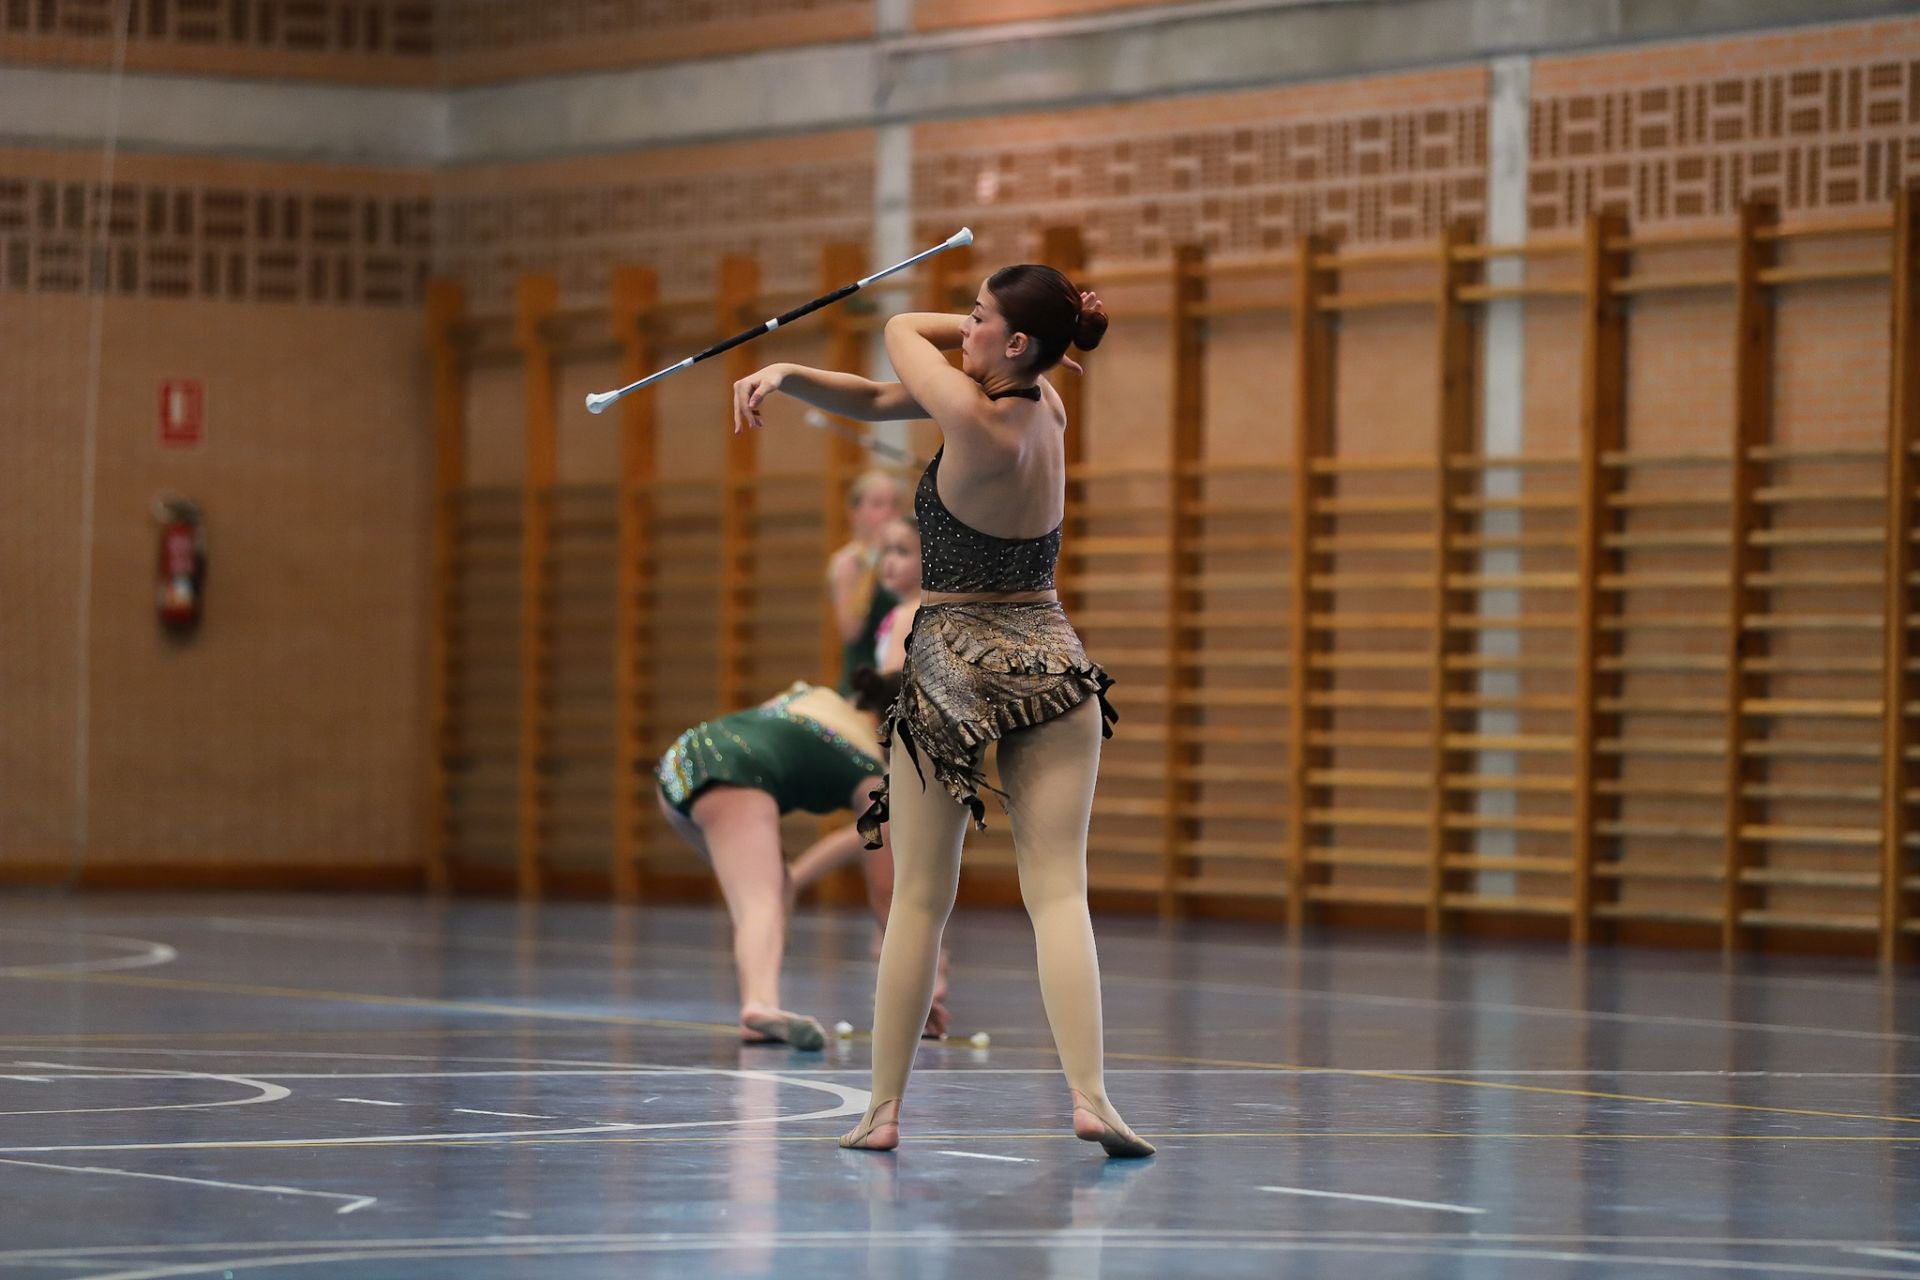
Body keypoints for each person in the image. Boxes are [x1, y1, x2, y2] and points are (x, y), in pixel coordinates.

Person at [731, 264, 1154, 1158]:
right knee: (1061, 893)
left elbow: (898, 336)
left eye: (979, 317)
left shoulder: (972, 419)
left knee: (920, 899)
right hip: (1049, 658)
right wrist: (792, 375)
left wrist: (993, 329)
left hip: (954, 665)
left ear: (1014, 345)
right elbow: (888, 395)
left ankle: (882, 1112)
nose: (960, 327)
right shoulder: (1047, 409)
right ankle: (1093, 1098)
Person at [655, 671, 913, 1049]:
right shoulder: (874, 771)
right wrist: (917, 994)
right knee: (762, 900)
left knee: (775, 887)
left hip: (679, 762)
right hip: (734, 772)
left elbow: (760, 728)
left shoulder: (816, 696)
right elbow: (885, 894)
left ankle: (761, 990)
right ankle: (759, 1005)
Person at [830, 470, 910, 696]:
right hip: (863, 687)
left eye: (894, 504)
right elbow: (850, 631)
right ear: (856, 513)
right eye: (877, 504)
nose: (889, 512)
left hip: (899, 681)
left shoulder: (907, 560)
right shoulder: (849, 562)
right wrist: (872, 563)